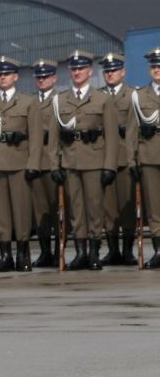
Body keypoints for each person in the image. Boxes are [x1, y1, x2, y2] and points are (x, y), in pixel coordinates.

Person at [53, 49, 119, 270]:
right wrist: (55, 164)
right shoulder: (60, 100)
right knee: (76, 209)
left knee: (95, 207)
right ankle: (80, 252)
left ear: (90, 71)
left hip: (94, 160)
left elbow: (111, 137)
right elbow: (55, 139)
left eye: (81, 68)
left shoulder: (102, 99)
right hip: (71, 161)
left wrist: (109, 165)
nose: (77, 72)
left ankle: (93, 252)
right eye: (74, 69)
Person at [0, 57, 43, 270]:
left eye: (6, 74)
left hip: (20, 162)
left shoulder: (28, 101)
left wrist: (34, 163)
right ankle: (5, 254)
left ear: (15, 76)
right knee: (1, 213)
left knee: (21, 211)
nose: (2, 77)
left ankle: (22, 254)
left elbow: (35, 136)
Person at [99, 53, 138, 264]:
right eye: (107, 71)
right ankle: (112, 249)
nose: (110, 74)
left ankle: (128, 251)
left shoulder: (132, 95)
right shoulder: (98, 96)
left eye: (113, 70)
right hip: (104, 158)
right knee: (108, 207)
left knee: (127, 206)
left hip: (124, 157)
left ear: (122, 72)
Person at [30, 59, 62, 267]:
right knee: (39, 210)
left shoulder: (61, 100)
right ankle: (44, 252)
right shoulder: (31, 102)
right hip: (35, 161)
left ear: (54, 78)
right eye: (39, 77)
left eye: (46, 76)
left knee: (56, 209)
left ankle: (59, 251)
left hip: (54, 161)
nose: (42, 80)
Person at [133, 48, 160, 269]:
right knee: (154, 207)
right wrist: (133, 160)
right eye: (153, 66)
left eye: (159, 66)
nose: (157, 70)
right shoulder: (139, 96)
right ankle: (159, 250)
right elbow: (133, 131)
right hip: (149, 155)